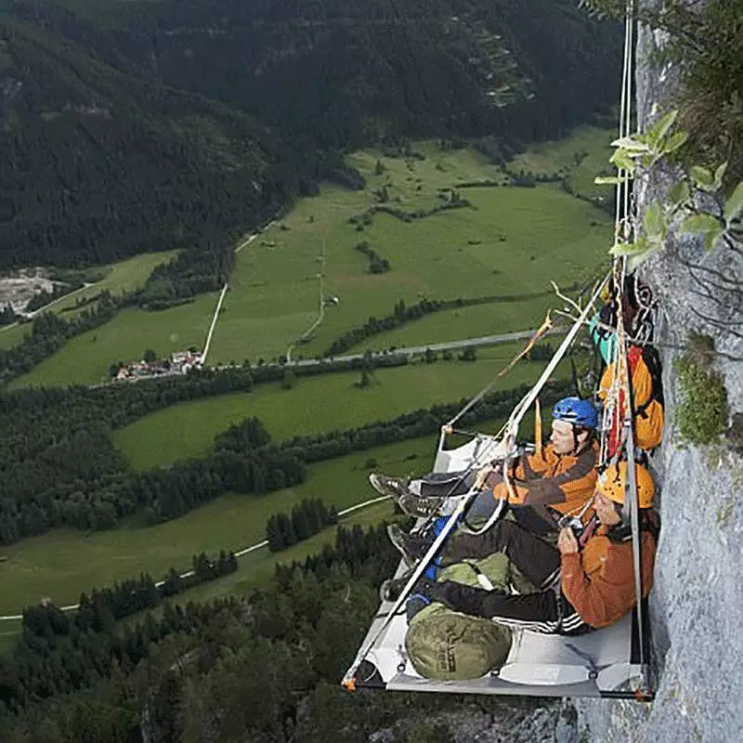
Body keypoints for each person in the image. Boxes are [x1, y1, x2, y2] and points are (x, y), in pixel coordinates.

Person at [382, 462, 659, 636]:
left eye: (604, 502)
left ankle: (427, 589)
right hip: (569, 573)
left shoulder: (630, 559)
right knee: (507, 534)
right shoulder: (623, 526)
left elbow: (590, 611)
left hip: (568, 611)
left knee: (491, 604)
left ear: (626, 511)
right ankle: (429, 551)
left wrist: (571, 556)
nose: (596, 504)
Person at [370, 397, 600, 535]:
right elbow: (532, 466)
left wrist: (493, 479)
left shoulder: (585, 471)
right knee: (484, 474)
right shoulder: (564, 449)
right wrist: (500, 467)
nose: (554, 436)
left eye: (561, 432)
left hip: (553, 522)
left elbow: (534, 494)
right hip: (541, 501)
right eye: (554, 429)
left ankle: (443, 508)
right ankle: (414, 487)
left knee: (501, 496)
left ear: (582, 435)